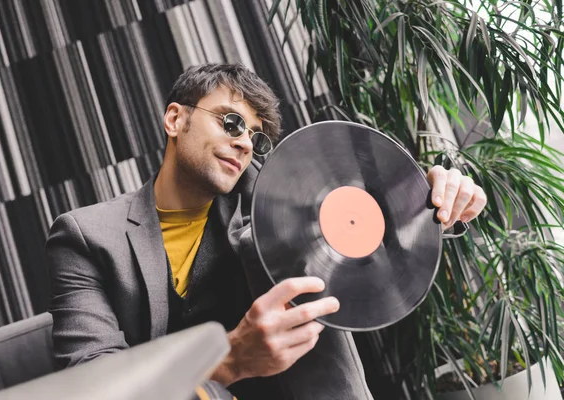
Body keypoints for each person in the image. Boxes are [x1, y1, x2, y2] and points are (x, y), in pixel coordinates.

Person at [46, 63, 488, 400]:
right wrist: (226, 363)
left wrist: (427, 197)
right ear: (175, 120)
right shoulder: (85, 237)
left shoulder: (269, 194)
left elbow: (357, 210)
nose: (243, 144)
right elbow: (93, 383)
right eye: (231, 123)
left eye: (256, 139)